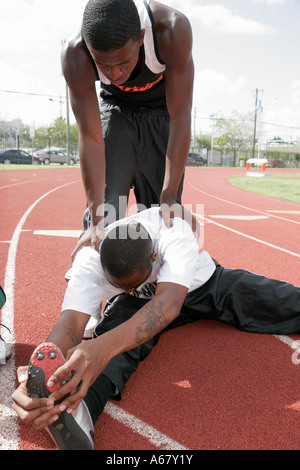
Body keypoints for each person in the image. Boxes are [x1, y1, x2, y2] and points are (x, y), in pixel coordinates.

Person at [11, 207, 300, 450]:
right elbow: (71, 324)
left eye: (138, 281)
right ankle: (79, 413)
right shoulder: (91, 259)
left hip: (200, 286)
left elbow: (169, 303)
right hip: (138, 307)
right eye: (123, 286)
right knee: (110, 346)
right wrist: (45, 374)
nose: (134, 288)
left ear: (153, 257)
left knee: (277, 298)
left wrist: (100, 348)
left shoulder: (173, 229)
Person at [61, 0, 194, 254]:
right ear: (89, 48)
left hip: (163, 113)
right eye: (104, 65)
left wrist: (169, 195)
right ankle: (91, 270)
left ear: (141, 38)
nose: (114, 74)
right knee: (103, 214)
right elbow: (91, 138)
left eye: (123, 62)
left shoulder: (171, 30)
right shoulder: (75, 54)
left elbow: (180, 116)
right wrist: (96, 220)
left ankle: (156, 284)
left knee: (162, 216)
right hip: (116, 110)